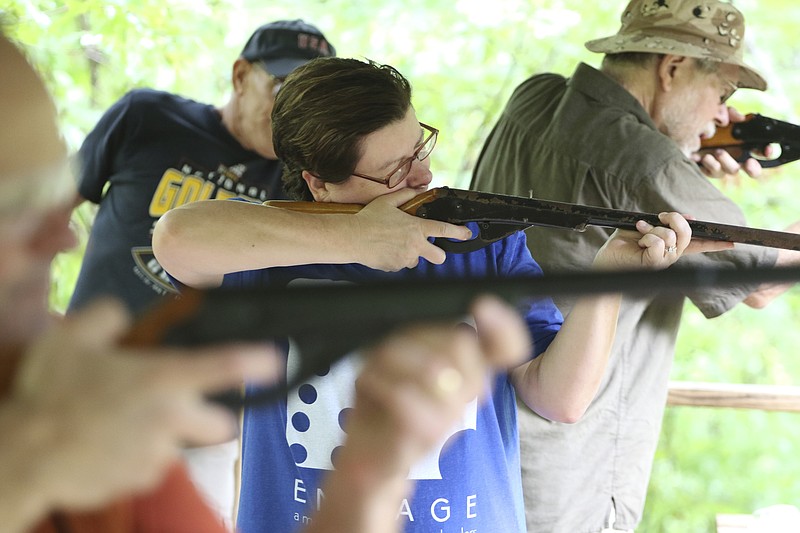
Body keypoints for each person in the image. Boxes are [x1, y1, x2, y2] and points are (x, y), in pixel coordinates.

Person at [152, 56, 728, 532]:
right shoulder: (266, 251)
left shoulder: (478, 241)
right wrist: (358, 238)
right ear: (318, 181)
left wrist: (611, 274)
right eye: (395, 169)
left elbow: (560, 399)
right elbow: (175, 238)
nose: (423, 176)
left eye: (419, 148)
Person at [0, 32, 532, 533]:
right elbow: (178, 236)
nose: (63, 237)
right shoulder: (157, 122)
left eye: (420, 151)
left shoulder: (65, 415)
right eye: (18, 205)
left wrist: (368, 477)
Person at [469, 1, 800, 532]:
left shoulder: (532, 97)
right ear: (672, 68)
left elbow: (598, 163)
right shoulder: (650, 161)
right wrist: (677, 164)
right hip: (570, 466)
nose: (722, 115)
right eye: (723, 94)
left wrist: (685, 150)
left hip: (480, 435)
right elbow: (761, 278)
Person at [65, 18, 336, 524]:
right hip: (88, 390)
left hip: (201, 427)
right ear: (240, 76)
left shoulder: (302, 184)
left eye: (307, 101)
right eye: (281, 87)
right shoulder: (147, 118)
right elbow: (42, 216)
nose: (289, 112)